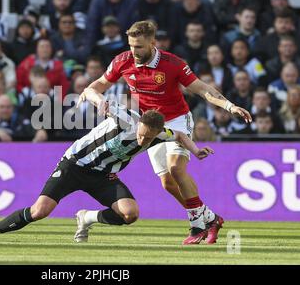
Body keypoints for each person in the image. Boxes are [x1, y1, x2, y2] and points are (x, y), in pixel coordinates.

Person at [79, 20, 252, 244]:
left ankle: (196, 225)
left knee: (176, 168)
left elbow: (202, 89)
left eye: (139, 46)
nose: (134, 51)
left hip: (177, 120)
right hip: (151, 124)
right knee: (167, 183)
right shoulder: (122, 61)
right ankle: (209, 218)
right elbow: (98, 85)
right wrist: (96, 97)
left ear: (153, 42)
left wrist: (230, 106)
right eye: (131, 45)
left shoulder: (173, 64)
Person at [0, 88, 213, 242]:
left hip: (105, 177)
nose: (143, 140)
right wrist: (99, 101)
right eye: (142, 134)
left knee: (130, 214)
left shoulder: (161, 133)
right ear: (139, 124)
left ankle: (87, 218)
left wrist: (195, 150)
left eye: (149, 138)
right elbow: (90, 91)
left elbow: (181, 135)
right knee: (39, 211)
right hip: (74, 166)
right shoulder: (125, 119)